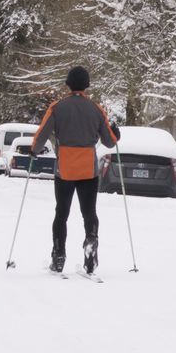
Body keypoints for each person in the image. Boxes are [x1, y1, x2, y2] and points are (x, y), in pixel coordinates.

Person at [32, 66, 120, 275]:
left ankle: (59, 255)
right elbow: (109, 142)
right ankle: (91, 245)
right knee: (89, 212)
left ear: (68, 84)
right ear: (87, 85)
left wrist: (34, 150)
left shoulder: (57, 107)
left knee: (61, 213)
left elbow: (41, 135)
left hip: (65, 170)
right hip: (88, 170)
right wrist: (116, 134)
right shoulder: (96, 109)